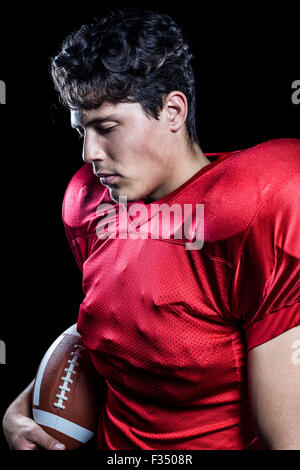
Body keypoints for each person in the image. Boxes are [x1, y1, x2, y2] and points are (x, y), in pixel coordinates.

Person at [2, 8, 300, 450]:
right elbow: (118, 318)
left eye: (106, 128)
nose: (89, 153)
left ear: (172, 110)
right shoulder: (89, 203)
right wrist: (24, 406)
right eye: (81, 130)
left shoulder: (259, 207)